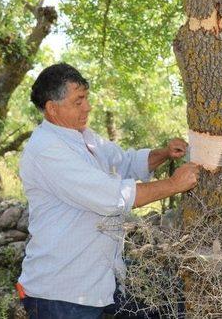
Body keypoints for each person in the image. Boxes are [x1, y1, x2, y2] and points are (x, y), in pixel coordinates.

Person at [16, 63, 198, 318]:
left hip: (97, 283)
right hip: (62, 294)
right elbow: (112, 198)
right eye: (78, 102)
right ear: (52, 108)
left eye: (86, 98)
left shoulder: (83, 137)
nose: (88, 107)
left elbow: (124, 163)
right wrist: (174, 185)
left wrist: (164, 154)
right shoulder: (47, 149)